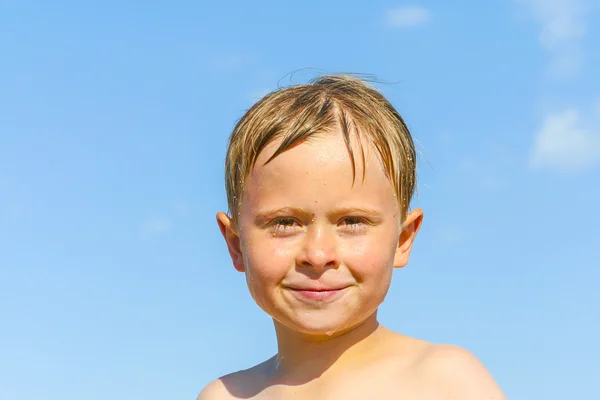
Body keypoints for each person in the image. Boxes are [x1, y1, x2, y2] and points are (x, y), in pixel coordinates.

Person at [199, 75, 506, 399]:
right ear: (236, 245)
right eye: (286, 223)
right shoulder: (225, 396)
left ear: (403, 240)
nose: (317, 255)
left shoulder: (443, 381)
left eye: (352, 221)